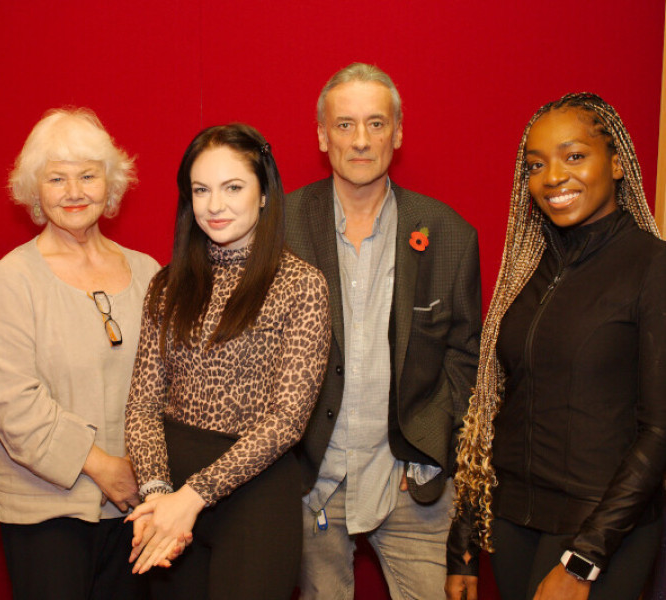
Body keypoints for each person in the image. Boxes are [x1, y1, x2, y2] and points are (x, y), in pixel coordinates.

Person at [446, 93, 666, 600]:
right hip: (513, 521)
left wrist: (585, 558)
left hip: (602, 530)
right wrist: (464, 545)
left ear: (615, 164)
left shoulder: (651, 266)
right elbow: (492, 411)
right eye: (536, 164)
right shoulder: (526, 270)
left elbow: (659, 432)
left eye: (573, 156)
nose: (553, 177)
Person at [284, 62, 482, 600]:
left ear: (398, 132)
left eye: (376, 123)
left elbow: (466, 360)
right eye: (344, 125)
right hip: (310, 481)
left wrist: (426, 443)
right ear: (322, 135)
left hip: (409, 481)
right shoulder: (279, 228)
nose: (361, 140)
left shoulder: (448, 234)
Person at [124, 123, 331, 599]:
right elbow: (142, 405)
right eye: (201, 190)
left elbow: (287, 421)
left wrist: (191, 499)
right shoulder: (166, 284)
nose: (214, 205)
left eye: (232, 187)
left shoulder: (302, 286)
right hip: (170, 485)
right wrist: (157, 496)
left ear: (264, 194)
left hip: (256, 493)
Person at [0, 108, 159, 600]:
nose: (74, 191)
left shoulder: (148, 274)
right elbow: (12, 405)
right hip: (45, 512)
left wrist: (151, 476)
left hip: (139, 511)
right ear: (35, 191)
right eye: (56, 178)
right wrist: (105, 467)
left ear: (111, 183)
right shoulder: (13, 278)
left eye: (87, 175)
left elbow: (172, 387)